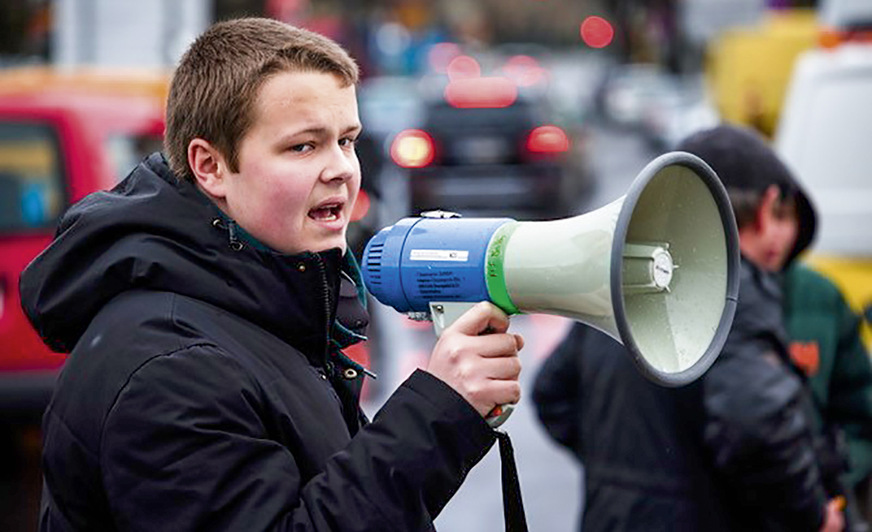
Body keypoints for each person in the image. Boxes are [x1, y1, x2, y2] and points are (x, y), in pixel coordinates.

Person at [20, 18, 524, 531]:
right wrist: (436, 414)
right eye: (303, 146)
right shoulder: (170, 368)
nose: (341, 169)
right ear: (210, 166)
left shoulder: (253, 308)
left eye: (347, 141)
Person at [532, 124, 845, 531]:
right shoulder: (738, 294)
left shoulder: (616, 282)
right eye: (784, 214)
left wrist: (627, 475)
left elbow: (551, 394)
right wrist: (812, 517)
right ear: (768, 207)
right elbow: (754, 423)